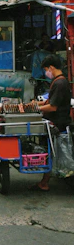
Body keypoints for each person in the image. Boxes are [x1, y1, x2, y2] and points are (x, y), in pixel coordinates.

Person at [30, 54, 72, 192]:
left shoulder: (60, 83)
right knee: (51, 151)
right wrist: (36, 103)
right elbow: (49, 102)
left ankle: (46, 181)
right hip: (55, 121)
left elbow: (53, 107)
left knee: (53, 152)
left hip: (58, 123)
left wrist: (36, 108)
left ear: (51, 68)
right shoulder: (57, 81)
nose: (46, 73)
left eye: (46, 69)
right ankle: (44, 182)